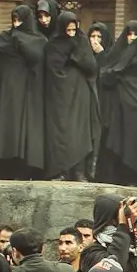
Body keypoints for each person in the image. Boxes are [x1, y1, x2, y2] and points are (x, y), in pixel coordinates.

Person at [0, 5, 48, 180]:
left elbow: (36, 58)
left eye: (20, 20)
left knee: (25, 138)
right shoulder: (6, 37)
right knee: (8, 134)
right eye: (14, 20)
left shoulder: (39, 40)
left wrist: (20, 43)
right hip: (8, 95)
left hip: (29, 96)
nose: (17, 25)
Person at [44, 11, 100, 181]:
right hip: (60, 97)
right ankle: (61, 172)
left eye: (73, 31)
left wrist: (75, 58)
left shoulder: (81, 41)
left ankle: (79, 172)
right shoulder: (54, 44)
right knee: (61, 133)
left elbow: (91, 66)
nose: (71, 35)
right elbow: (52, 69)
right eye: (67, 31)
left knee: (80, 133)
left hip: (80, 95)